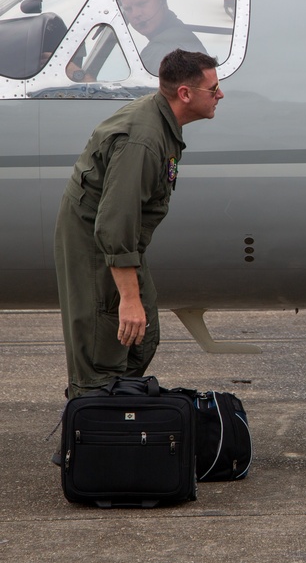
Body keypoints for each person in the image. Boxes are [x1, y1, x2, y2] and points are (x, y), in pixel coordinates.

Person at [54, 49, 223, 401]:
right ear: (185, 94)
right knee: (105, 347)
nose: (220, 95)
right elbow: (114, 226)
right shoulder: (143, 142)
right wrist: (128, 298)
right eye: (213, 89)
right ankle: (91, 431)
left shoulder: (160, 122)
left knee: (141, 338)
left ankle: (112, 421)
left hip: (118, 240)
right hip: (98, 244)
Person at [117, 0, 207, 73]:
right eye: (128, 9)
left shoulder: (160, 50)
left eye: (142, 4)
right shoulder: (182, 36)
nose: (136, 14)